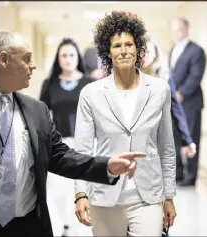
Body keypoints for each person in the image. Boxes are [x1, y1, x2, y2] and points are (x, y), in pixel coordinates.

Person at [0, 31, 146, 237]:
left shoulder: (35, 110)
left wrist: (106, 166)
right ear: (3, 59)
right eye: (27, 58)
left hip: (29, 228)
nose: (34, 65)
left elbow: (59, 156)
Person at [74, 11, 177, 237]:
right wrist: (81, 194)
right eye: (116, 45)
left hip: (147, 197)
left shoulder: (159, 90)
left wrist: (168, 197)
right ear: (107, 52)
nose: (123, 51)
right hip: (104, 197)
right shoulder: (91, 94)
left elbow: (166, 148)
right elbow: (82, 150)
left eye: (129, 44)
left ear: (138, 48)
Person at [39, 37, 95, 235]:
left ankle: (78, 227)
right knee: (58, 190)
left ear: (77, 57)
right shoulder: (50, 84)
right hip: (59, 144)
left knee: (81, 188)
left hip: (85, 144)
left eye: (71, 55)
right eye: (64, 55)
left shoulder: (89, 83)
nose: (68, 59)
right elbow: (42, 114)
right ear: (58, 59)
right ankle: (67, 224)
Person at [142, 35, 196, 161]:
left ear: (156, 53)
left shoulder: (164, 77)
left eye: (148, 52)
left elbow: (176, 108)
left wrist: (186, 139)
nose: (145, 56)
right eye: (142, 52)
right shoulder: (128, 76)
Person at [169, 17, 206, 186]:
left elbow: (195, 76)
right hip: (174, 105)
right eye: (173, 30)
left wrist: (181, 93)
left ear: (186, 30)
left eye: (178, 30)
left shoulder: (196, 51)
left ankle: (191, 177)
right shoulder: (173, 50)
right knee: (175, 139)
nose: (175, 33)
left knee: (191, 140)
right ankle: (178, 174)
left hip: (190, 104)